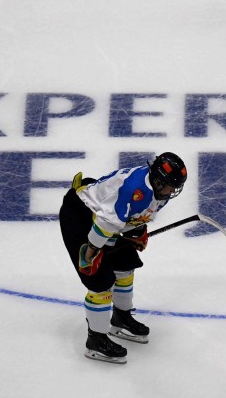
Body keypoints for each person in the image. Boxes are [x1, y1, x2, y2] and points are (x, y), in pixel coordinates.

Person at [58, 152, 187, 364]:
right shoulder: (134, 188)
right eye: (170, 186)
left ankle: (121, 318)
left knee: (126, 263)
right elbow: (107, 222)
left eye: (176, 187)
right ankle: (96, 341)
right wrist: (91, 251)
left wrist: (136, 233)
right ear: (157, 179)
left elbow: (133, 215)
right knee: (99, 279)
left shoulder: (159, 191)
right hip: (81, 214)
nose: (172, 191)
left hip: (105, 217)